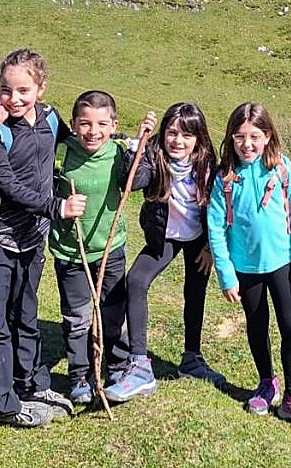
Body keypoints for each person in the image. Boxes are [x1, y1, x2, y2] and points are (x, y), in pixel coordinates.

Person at [0, 49, 76, 427]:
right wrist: (55, 206)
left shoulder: (49, 119)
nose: (13, 99)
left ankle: (30, 383)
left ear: (41, 88)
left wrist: (125, 140)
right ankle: (0, 402)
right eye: (5, 90)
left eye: (23, 90)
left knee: (25, 313)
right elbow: (6, 184)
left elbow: (79, 141)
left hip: (32, 238)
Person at [208, 102, 291, 439]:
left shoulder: (283, 169)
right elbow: (215, 229)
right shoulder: (224, 178)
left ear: (268, 136)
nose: (247, 144)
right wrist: (226, 274)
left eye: (255, 136)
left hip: (285, 266)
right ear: (230, 138)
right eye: (240, 137)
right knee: (257, 327)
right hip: (246, 270)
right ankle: (265, 384)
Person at [106, 102, 225, 404]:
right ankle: (139, 364)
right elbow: (132, 182)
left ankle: (192, 359)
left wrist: (212, 247)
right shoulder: (153, 155)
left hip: (199, 238)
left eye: (186, 135)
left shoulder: (208, 165)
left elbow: (220, 209)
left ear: (198, 138)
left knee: (195, 293)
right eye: (172, 132)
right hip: (165, 237)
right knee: (136, 281)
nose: (178, 141)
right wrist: (139, 144)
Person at [45, 90, 155, 407]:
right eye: (85, 123)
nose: (93, 131)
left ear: (113, 125)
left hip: (111, 248)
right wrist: (60, 203)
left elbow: (136, 181)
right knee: (77, 317)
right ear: (73, 125)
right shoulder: (62, 153)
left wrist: (140, 145)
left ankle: (117, 369)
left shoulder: (118, 153)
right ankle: (80, 376)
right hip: (71, 250)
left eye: (102, 124)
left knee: (112, 313)